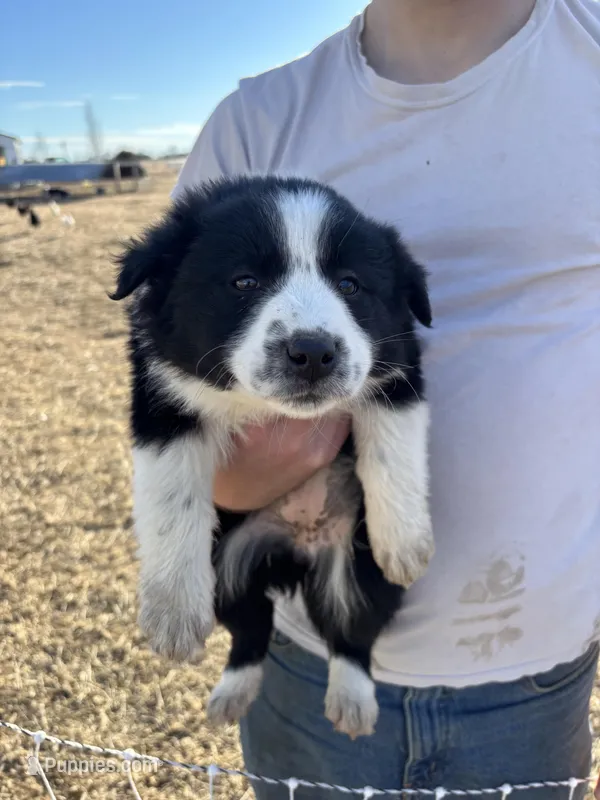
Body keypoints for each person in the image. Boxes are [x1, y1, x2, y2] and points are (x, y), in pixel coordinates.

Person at [172, 1, 600, 796]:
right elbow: (171, 398)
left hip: (535, 681)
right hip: (306, 668)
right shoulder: (257, 123)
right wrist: (238, 478)